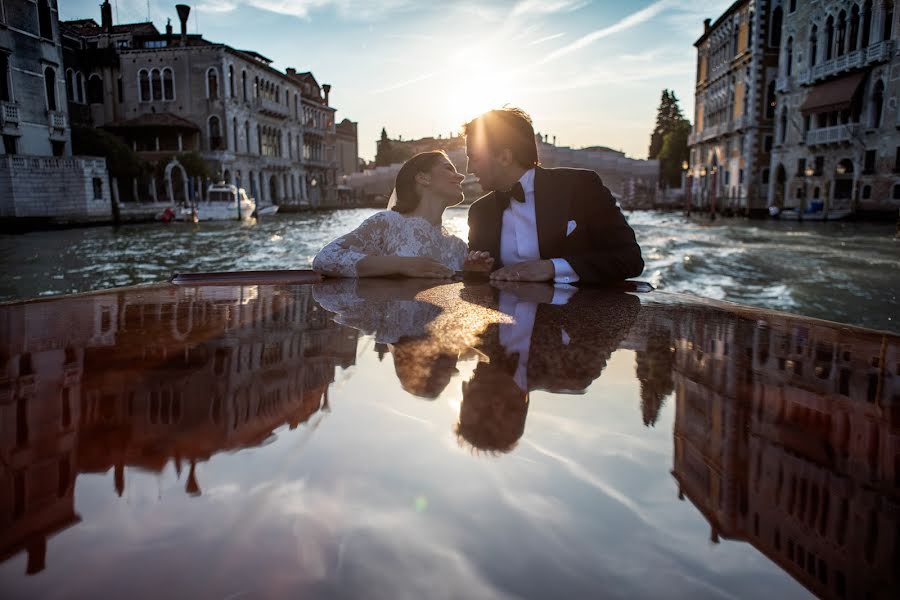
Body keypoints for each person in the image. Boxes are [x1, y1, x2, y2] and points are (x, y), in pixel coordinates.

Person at [464, 108, 644, 284]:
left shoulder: (581, 187)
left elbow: (630, 259)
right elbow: (483, 287)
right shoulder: (480, 212)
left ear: (504, 157)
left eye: (474, 158)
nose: (469, 169)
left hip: (576, 312)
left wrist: (552, 268)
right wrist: (477, 273)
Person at [313, 151, 492, 278]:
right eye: (448, 168)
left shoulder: (458, 247)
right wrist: (401, 264)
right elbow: (325, 258)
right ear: (423, 178)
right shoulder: (387, 223)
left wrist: (472, 274)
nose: (460, 176)